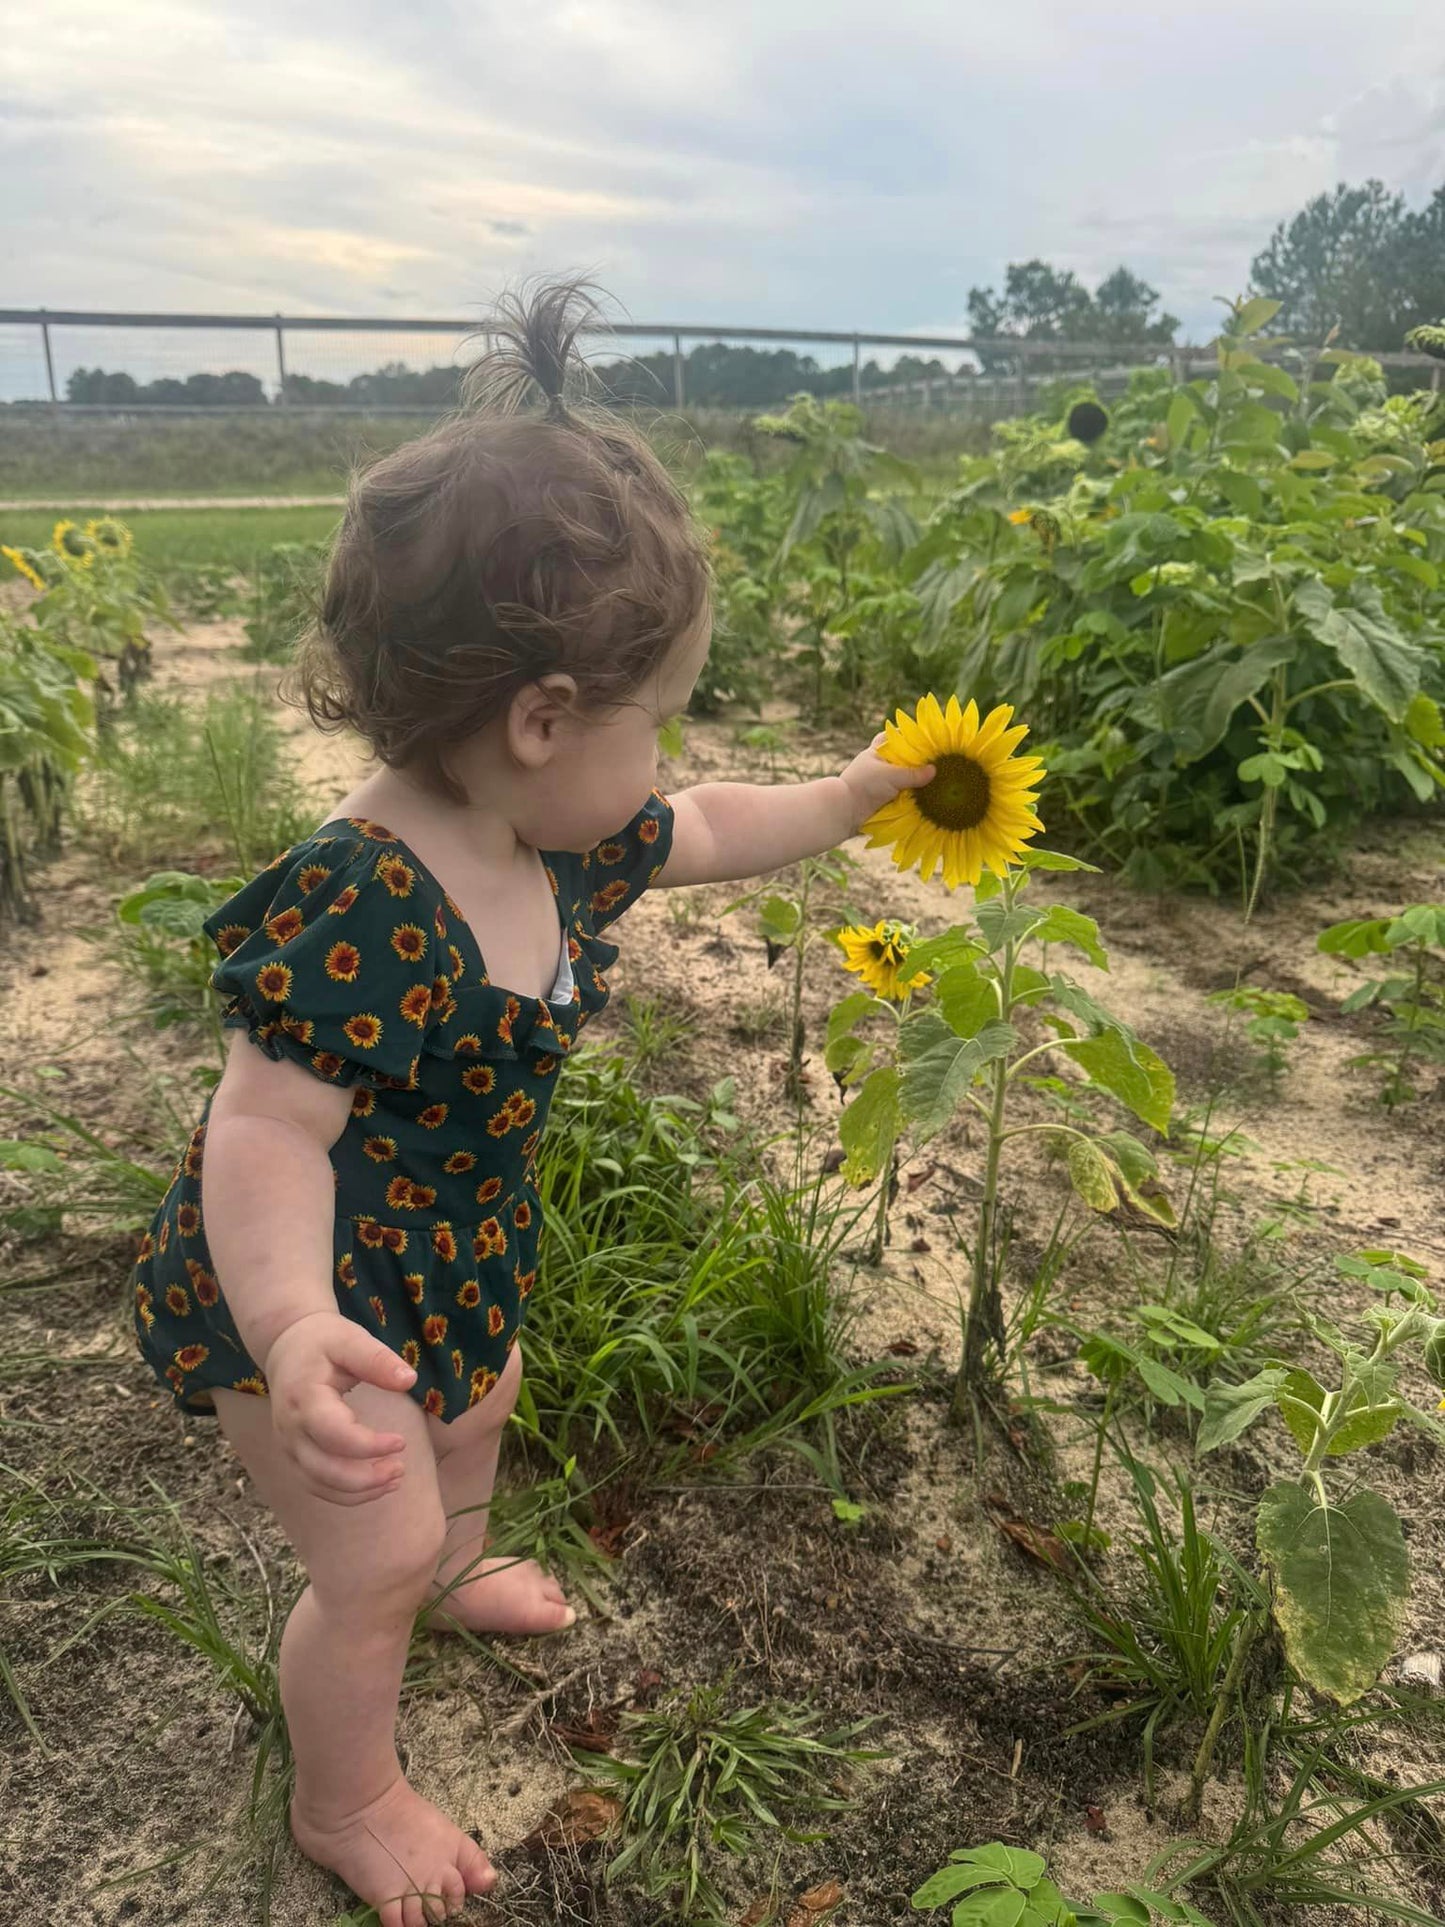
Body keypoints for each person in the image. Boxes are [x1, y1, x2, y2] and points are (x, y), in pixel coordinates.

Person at [132, 281, 932, 1927]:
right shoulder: (364, 896)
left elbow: (705, 827)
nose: (674, 756)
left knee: (480, 1402)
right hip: (309, 1291)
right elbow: (266, 1132)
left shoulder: (554, 833)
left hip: (454, 1248)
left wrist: (850, 801)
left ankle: (466, 1561)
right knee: (366, 1554)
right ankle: (346, 1795)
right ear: (542, 718)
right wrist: (287, 1333)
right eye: (662, 716)